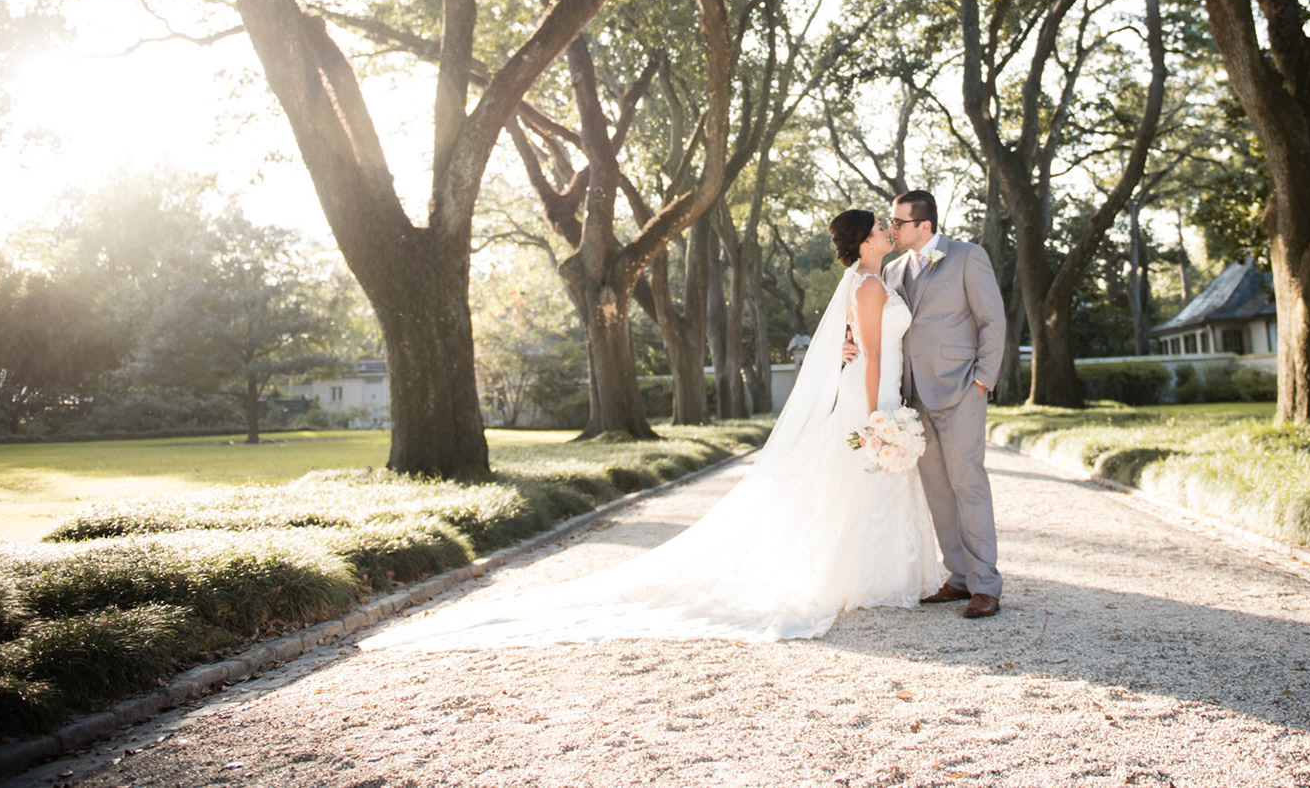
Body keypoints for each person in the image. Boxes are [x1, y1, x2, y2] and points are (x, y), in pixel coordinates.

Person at [360, 209, 938, 650]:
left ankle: (875, 577)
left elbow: (864, 345)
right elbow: (871, 356)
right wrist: (874, 414)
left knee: (867, 484)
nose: (890, 233)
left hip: (880, 392)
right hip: (871, 397)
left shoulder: (880, 281)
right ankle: (862, 580)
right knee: (861, 478)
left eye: (892, 227)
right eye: (882, 230)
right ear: (865, 242)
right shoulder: (866, 287)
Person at [879, 189, 1007, 619]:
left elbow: (993, 320)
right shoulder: (892, 269)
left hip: (961, 390)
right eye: (891, 222)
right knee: (936, 489)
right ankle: (958, 577)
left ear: (925, 226)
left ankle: (986, 584)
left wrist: (982, 380)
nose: (892, 229)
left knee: (968, 484)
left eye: (898, 222)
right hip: (913, 397)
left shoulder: (969, 256)